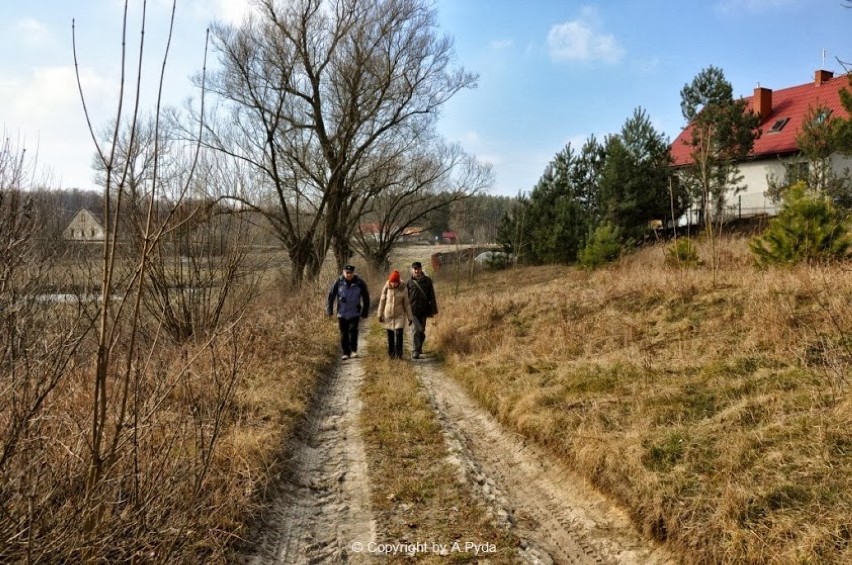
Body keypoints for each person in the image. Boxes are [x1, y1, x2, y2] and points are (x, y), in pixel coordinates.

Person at [326, 264, 370, 360]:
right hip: (342, 313)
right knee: (344, 333)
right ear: (343, 272)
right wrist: (329, 310)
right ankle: (346, 352)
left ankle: (353, 350)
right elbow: (331, 296)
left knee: (353, 331)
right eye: (347, 273)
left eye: (351, 273)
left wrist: (365, 311)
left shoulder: (360, 283)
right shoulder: (338, 282)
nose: (349, 275)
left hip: (355, 311)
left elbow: (366, 297)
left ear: (354, 273)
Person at [377, 270, 414, 359]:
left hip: (399, 315)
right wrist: (380, 314)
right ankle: (391, 354)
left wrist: (410, 317)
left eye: (395, 282)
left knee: (399, 334)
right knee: (390, 336)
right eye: (392, 282)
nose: (393, 284)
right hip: (388, 315)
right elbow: (382, 301)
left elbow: (407, 304)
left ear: (398, 282)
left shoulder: (403, 288)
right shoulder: (386, 287)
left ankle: (399, 354)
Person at [406, 261, 438, 359]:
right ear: (412, 270)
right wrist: (405, 310)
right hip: (413, 310)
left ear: (421, 269)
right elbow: (406, 297)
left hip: (424, 309)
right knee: (416, 329)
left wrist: (434, 310)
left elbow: (431, 296)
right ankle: (415, 351)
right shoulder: (409, 282)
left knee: (422, 330)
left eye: (418, 268)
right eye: (415, 269)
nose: (416, 270)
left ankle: (419, 347)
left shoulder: (427, 280)